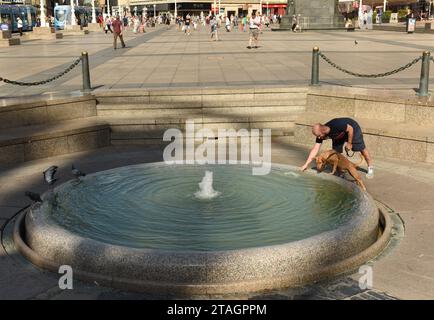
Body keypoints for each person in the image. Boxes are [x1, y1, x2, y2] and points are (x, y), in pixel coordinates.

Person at [300, 118, 374, 178]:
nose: (318, 137)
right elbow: (315, 149)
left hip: (352, 129)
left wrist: (349, 143)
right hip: (339, 136)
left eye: (319, 135)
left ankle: (370, 167)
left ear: (323, 130)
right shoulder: (321, 133)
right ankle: (340, 173)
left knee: (361, 148)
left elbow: (350, 128)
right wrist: (306, 165)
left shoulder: (336, 125)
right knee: (336, 154)